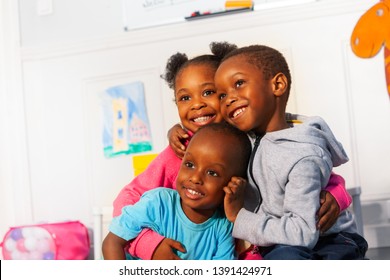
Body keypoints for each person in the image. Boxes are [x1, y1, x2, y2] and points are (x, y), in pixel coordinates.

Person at [112, 42, 351, 260]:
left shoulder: (253, 138)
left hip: (250, 249)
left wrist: (336, 195)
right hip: (188, 253)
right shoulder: (179, 150)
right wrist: (148, 244)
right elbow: (126, 201)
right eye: (185, 97)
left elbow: (310, 167)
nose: (197, 103)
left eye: (210, 92)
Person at [214, 44, 368, 259]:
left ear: (277, 84)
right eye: (221, 95)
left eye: (239, 84)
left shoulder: (302, 154)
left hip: (328, 242)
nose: (228, 98)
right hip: (281, 241)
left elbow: (302, 233)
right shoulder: (242, 139)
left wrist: (239, 217)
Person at [103, 122, 251, 260]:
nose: (195, 178)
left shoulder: (222, 227)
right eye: (189, 164)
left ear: (234, 183)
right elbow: (111, 243)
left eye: (212, 173)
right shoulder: (158, 202)